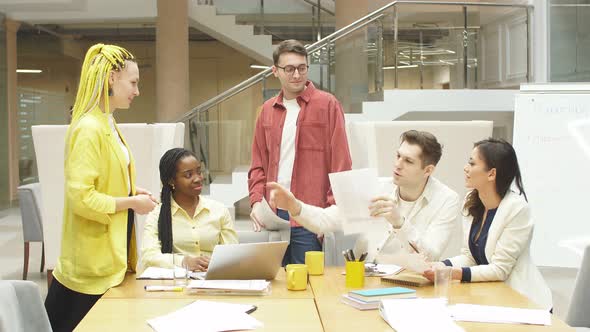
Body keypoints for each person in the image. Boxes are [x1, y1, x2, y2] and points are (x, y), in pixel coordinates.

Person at [44, 43, 158, 332]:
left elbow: (107, 182)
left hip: (108, 262)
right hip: (88, 269)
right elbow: (82, 198)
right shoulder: (89, 128)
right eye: (133, 82)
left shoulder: (107, 123)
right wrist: (130, 203)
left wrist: (133, 192)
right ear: (111, 79)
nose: (137, 90)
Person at [266, 130, 460, 263]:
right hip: (365, 277)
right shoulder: (376, 187)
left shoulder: (447, 200)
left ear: (428, 170)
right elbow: (325, 221)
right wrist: (294, 205)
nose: (398, 164)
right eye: (398, 156)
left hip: (412, 286)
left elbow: (431, 256)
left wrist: (399, 222)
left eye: (408, 161)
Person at [248, 39, 352, 265]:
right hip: (273, 214)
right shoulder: (266, 110)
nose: (296, 74)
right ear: (275, 71)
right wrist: (256, 202)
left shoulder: (328, 105)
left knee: (307, 285)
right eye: (289, 69)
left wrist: (329, 216)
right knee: (274, 285)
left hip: (309, 214)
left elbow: (341, 165)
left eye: (302, 68)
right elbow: (258, 163)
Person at [423, 138, 552, 309]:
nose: (465, 168)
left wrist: (451, 273)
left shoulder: (517, 209)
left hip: (524, 302)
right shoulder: (471, 200)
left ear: (491, 174)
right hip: (492, 297)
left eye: (472, 163)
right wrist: (442, 265)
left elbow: (500, 269)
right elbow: (469, 256)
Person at [141, 148, 238, 271]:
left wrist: (215, 263)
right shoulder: (157, 215)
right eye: (188, 175)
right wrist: (183, 261)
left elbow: (233, 253)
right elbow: (149, 257)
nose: (198, 178)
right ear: (171, 181)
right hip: (177, 283)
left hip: (214, 280)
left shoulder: (219, 210)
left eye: (199, 172)